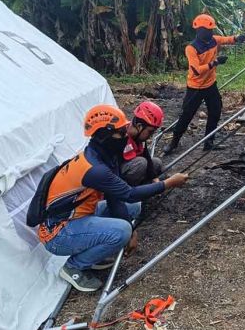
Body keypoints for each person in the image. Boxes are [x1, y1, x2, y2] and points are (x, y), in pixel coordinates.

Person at [37, 105, 189, 292]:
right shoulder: (94, 168)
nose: (125, 135)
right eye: (119, 133)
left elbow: (115, 198)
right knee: (122, 230)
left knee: (132, 208)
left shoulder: (105, 157)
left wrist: (133, 230)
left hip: (76, 218)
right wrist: (168, 184)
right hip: (57, 234)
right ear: (104, 136)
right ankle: (74, 267)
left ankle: (94, 254)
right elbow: (129, 193)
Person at [162, 14, 245, 154]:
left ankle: (209, 142)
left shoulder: (213, 40)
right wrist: (215, 62)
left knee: (215, 111)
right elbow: (196, 71)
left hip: (210, 85)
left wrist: (237, 38)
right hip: (195, 88)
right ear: (200, 30)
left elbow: (226, 39)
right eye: (208, 30)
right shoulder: (191, 48)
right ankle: (174, 143)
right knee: (186, 116)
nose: (211, 33)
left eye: (211, 30)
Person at [121, 101, 165, 186]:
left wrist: (154, 177)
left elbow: (146, 155)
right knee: (141, 163)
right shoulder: (120, 137)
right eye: (150, 132)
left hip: (132, 167)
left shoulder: (139, 137)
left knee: (157, 163)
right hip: (117, 176)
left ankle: (144, 185)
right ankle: (131, 193)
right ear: (139, 126)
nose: (151, 136)